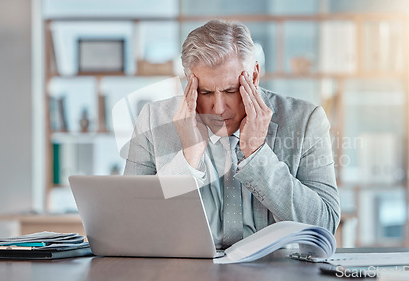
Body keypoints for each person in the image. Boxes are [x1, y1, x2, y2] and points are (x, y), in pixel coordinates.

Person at [124, 19, 340, 249]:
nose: (218, 108)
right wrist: (188, 160)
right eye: (205, 92)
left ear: (254, 77)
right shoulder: (153, 119)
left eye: (230, 90)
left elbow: (323, 226)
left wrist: (257, 157)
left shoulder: (306, 120)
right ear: (190, 82)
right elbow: (130, 226)